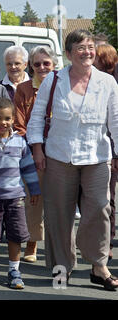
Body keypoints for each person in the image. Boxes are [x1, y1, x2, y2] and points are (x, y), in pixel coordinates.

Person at [26, 29, 118, 291]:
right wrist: (37, 149)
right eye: (80, 48)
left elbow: (116, 121)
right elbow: (36, 117)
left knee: (100, 209)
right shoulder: (54, 80)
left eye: (90, 47)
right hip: (58, 156)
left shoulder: (107, 82)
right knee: (58, 214)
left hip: (97, 156)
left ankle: (99, 266)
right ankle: (61, 268)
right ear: (68, 54)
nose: (87, 52)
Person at [0, 97, 40, 289]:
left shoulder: (20, 142)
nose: (3, 123)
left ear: (13, 119)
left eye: (7, 118)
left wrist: (34, 189)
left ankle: (14, 270)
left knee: (16, 235)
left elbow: (28, 168)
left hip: (15, 198)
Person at [13, 46, 58, 263]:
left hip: (61, 151)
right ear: (31, 66)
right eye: (37, 63)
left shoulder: (64, 85)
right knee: (35, 199)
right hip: (33, 151)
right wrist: (33, 149)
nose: (41, 67)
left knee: (60, 202)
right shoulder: (23, 89)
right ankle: (32, 243)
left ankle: (57, 247)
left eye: (46, 63)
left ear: (54, 64)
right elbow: (19, 123)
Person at [94, 43, 118, 261]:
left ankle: (107, 242)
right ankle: (104, 242)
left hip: (113, 146)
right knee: (104, 198)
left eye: (97, 58)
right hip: (103, 148)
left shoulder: (111, 82)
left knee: (108, 199)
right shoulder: (91, 81)